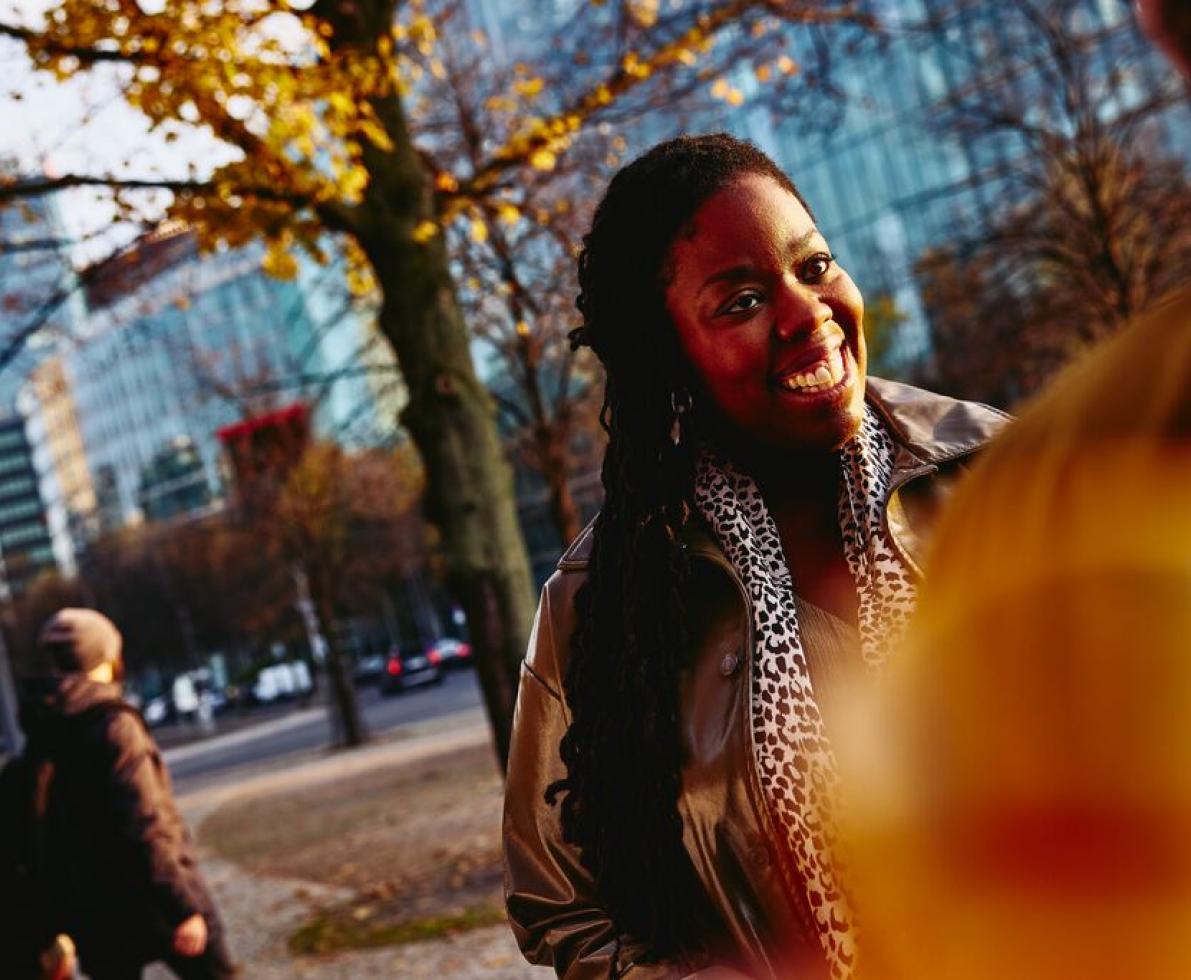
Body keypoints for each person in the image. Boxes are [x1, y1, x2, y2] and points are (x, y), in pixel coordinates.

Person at [501, 134, 1010, 979]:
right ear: (670, 360)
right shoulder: (604, 603)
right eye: (738, 302)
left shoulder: (1005, 478)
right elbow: (562, 903)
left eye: (813, 268)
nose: (805, 313)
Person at [6, 608, 234, 980]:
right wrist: (183, 906)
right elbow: (144, 821)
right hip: (151, 899)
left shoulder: (43, 727)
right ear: (105, 656)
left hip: (92, 913)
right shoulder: (114, 725)